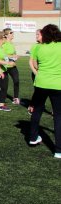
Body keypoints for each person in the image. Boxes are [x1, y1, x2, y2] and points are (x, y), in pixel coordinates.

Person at [27, 24, 61, 159]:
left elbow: (35, 65)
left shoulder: (39, 48)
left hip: (41, 83)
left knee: (37, 110)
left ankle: (32, 137)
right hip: (58, 85)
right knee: (58, 116)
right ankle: (58, 150)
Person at [0, 31, 16, 112]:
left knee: (4, 88)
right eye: (4, 37)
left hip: (4, 70)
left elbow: (4, 57)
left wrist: (12, 58)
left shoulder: (2, 47)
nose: (6, 38)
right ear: (0, 38)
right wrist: (8, 63)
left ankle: (1, 105)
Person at [2, 28, 21, 105]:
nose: (13, 34)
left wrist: (15, 57)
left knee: (16, 81)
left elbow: (14, 54)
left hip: (12, 66)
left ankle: (15, 98)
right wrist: (13, 56)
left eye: (13, 32)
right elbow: (2, 55)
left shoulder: (12, 44)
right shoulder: (3, 44)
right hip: (4, 66)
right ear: (6, 35)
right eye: (11, 33)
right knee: (1, 84)